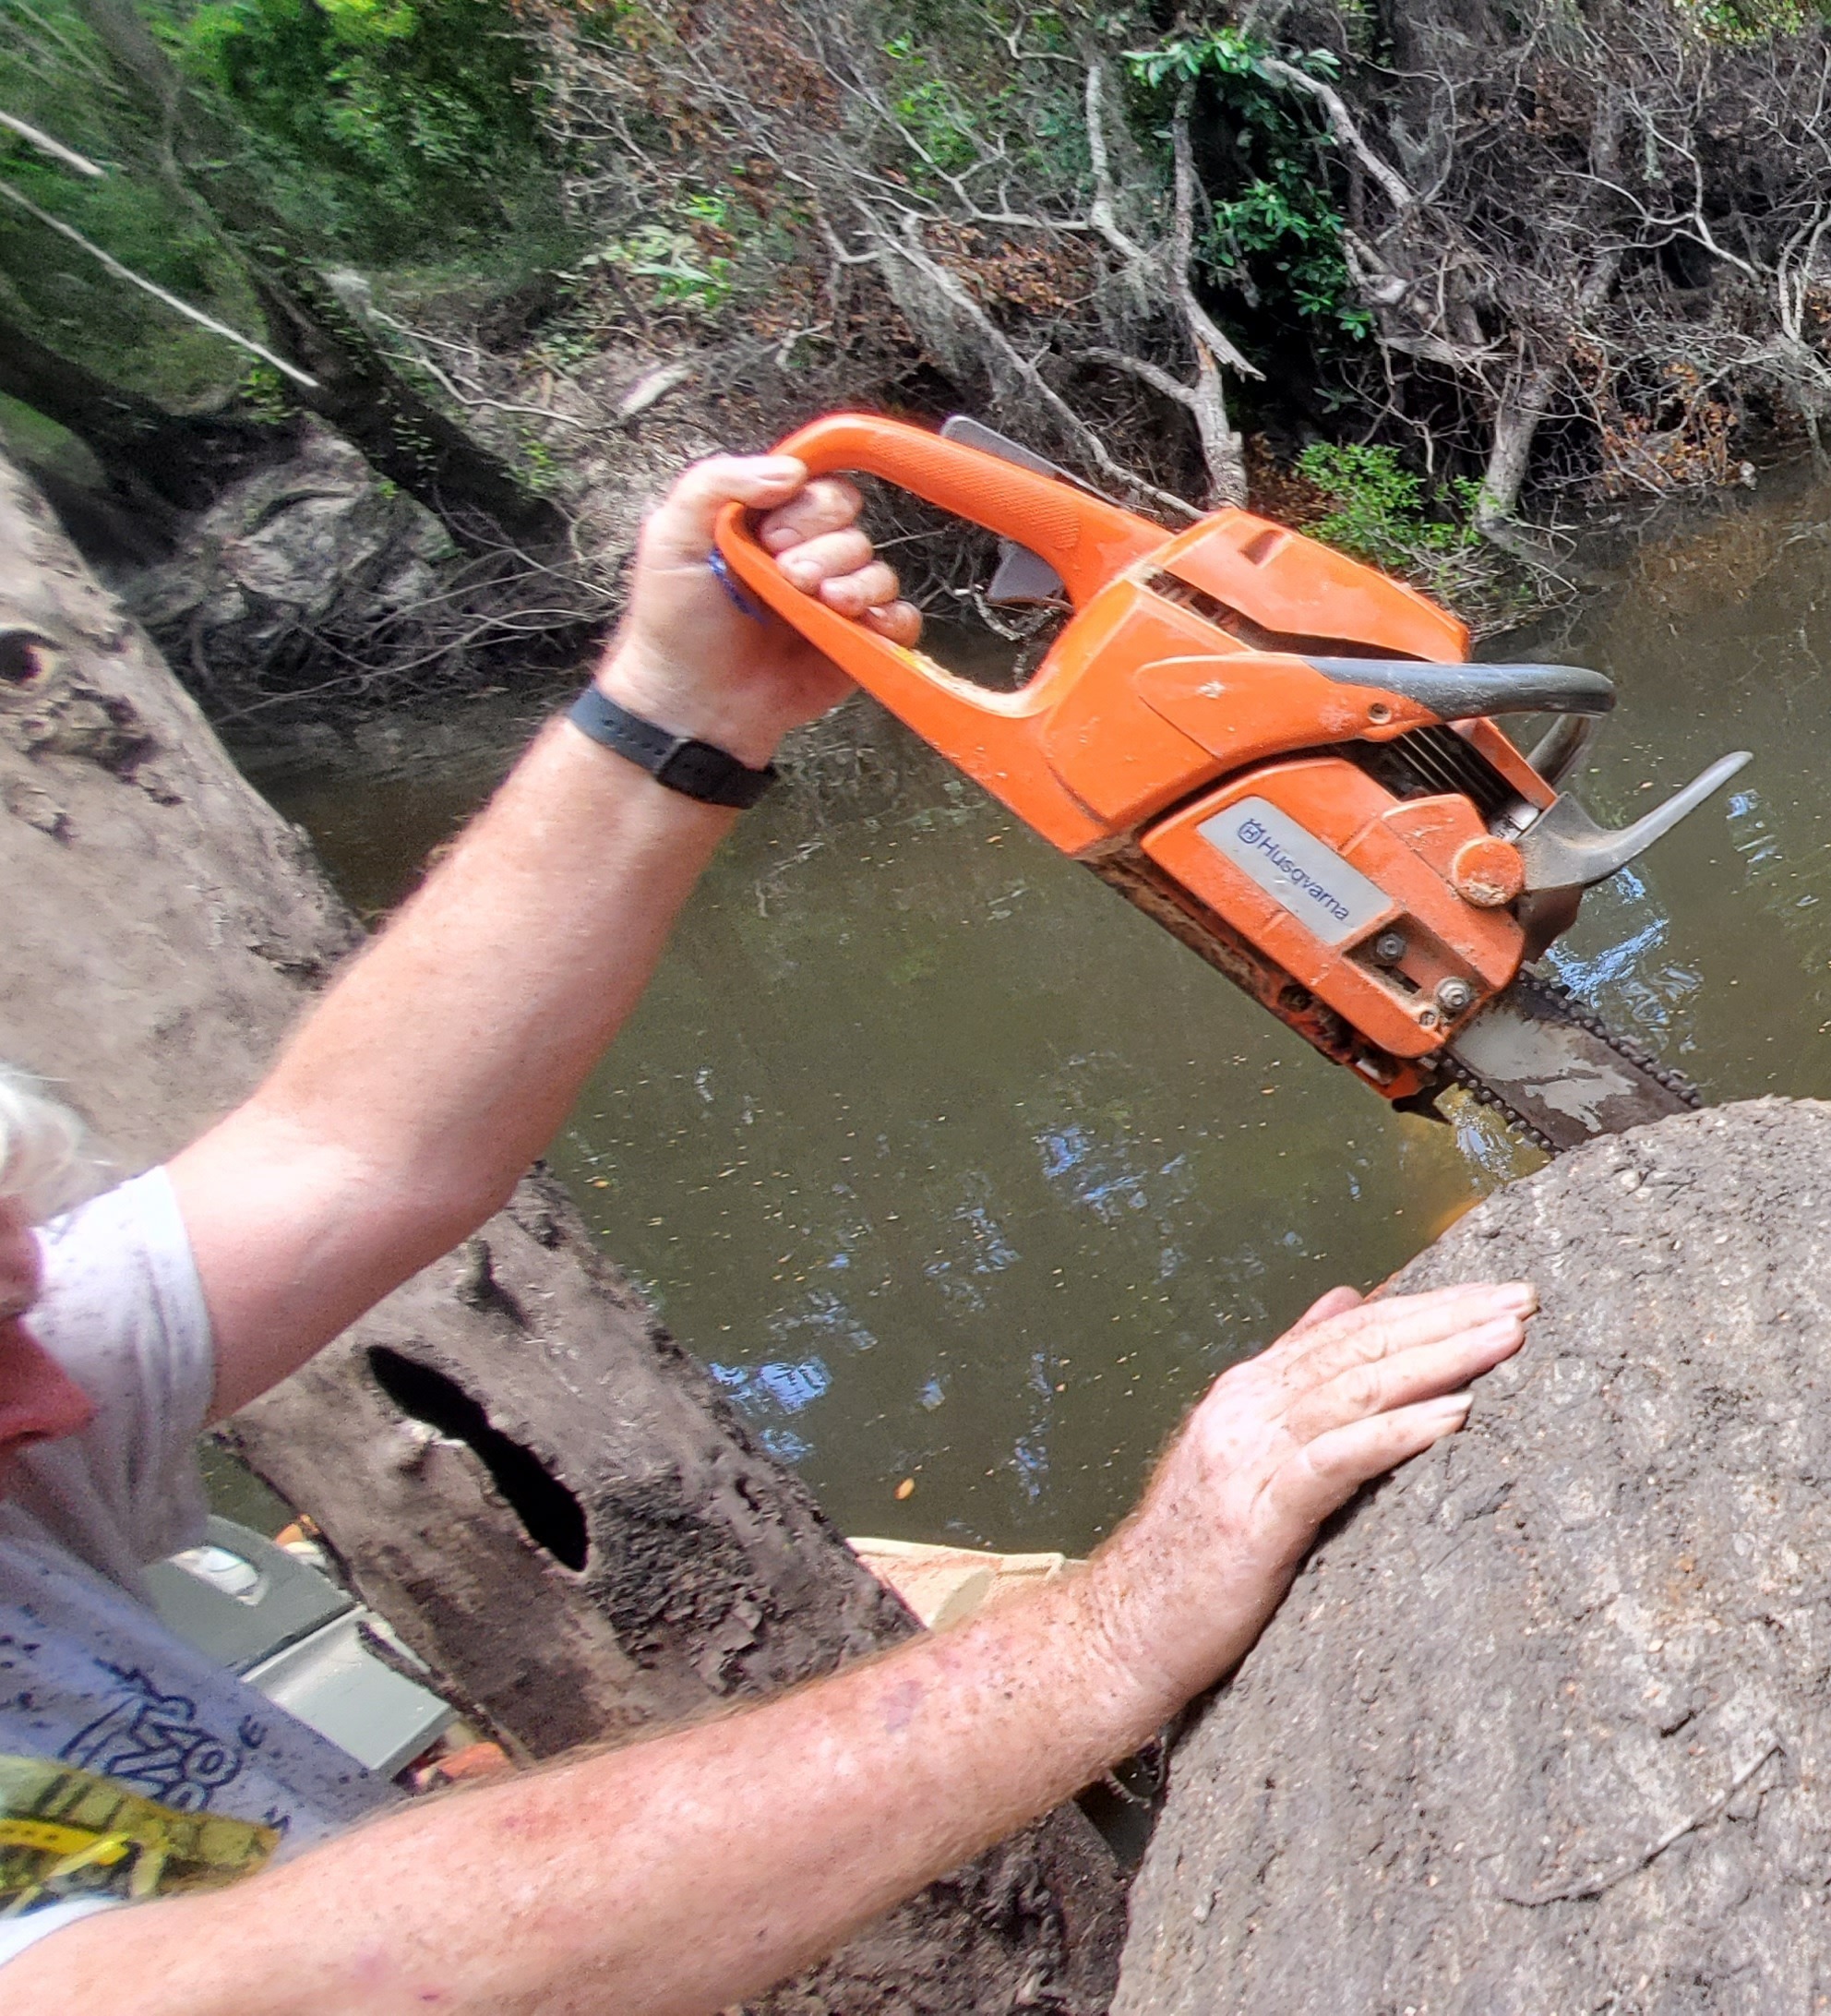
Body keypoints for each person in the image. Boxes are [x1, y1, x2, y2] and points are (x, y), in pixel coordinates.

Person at [0, 455, 1535, 2010]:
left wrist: (680, 707)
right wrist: (1116, 1628)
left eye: (21, 1302)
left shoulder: (23, 1389)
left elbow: (344, 1150)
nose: (58, 1394)